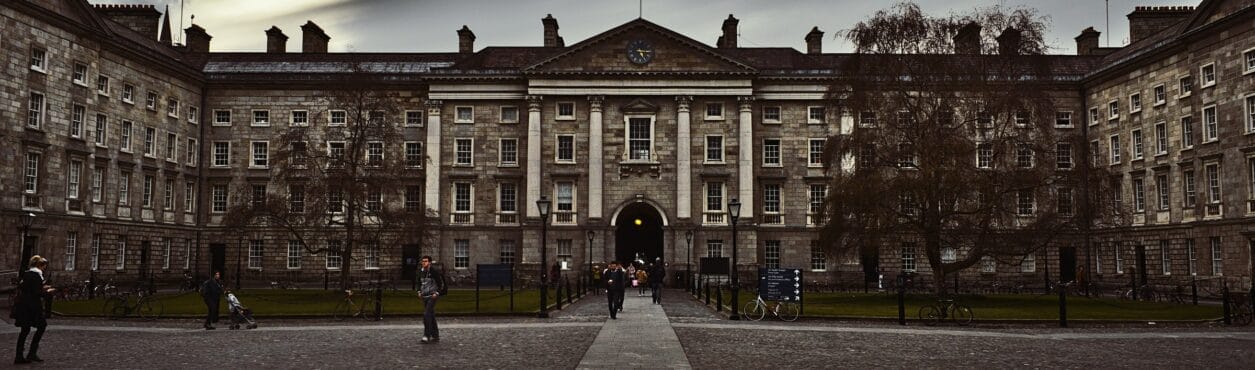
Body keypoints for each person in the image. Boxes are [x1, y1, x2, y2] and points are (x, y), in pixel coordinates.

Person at [14, 255, 54, 364]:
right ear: (40, 265)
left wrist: (42, 288)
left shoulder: (27, 274)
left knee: (25, 330)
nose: (45, 268)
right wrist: (47, 291)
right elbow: (36, 293)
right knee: (41, 326)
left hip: (23, 306)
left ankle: (19, 355)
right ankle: (31, 353)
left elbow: (26, 288)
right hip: (32, 307)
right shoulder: (36, 276)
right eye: (44, 266)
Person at [417, 256, 446, 343]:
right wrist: (419, 291)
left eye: (425, 261)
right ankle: (435, 335)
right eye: (423, 261)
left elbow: (440, 283)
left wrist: (436, 293)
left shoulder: (434, 272)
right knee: (431, 315)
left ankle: (427, 335)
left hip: (432, 296)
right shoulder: (421, 272)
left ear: (429, 262)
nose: (424, 263)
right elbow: (419, 282)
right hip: (424, 296)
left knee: (426, 315)